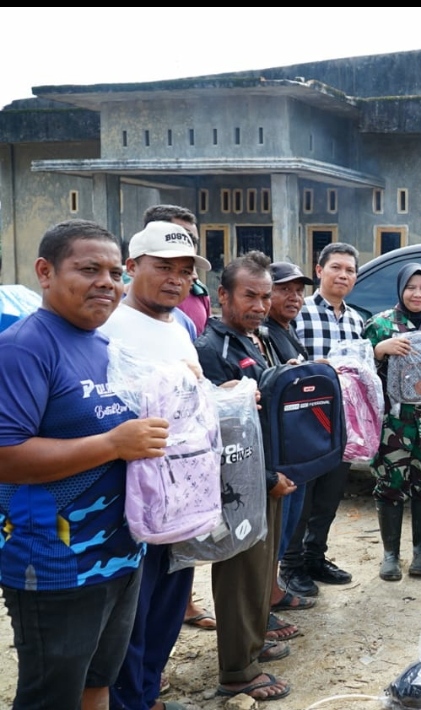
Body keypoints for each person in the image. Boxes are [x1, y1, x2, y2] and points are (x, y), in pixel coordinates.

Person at [0, 220, 169, 709]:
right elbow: (6, 456)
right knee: (51, 695)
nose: (107, 283)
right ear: (45, 272)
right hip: (56, 565)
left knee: (99, 682)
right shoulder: (23, 348)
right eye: (89, 269)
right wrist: (115, 444)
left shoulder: (104, 348)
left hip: (121, 553)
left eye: (116, 272)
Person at [101, 220, 211, 710]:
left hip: (182, 497)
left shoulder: (183, 325)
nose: (175, 279)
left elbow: (190, 399)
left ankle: (148, 695)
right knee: (131, 618)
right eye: (163, 267)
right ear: (131, 267)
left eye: (185, 271)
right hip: (130, 502)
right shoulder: (107, 325)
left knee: (168, 610)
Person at [195, 251, 294, 703]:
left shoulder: (255, 340)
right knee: (239, 574)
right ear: (223, 295)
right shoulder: (212, 349)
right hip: (239, 482)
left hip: (265, 475)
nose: (259, 305)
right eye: (249, 296)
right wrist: (268, 474)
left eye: (264, 296)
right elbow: (222, 435)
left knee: (259, 569)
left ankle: (253, 644)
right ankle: (236, 671)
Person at [282, 243, 365, 596]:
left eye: (349, 270)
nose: (342, 275)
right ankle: (291, 565)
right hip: (306, 421)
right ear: (319, 271)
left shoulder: (357, 319)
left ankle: (316, 557)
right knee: (303, 496)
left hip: (342, 421)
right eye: (336, 268)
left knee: (329, 497)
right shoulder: (299, 313)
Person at [364, 263, 421, 581]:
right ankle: (390, 555)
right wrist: (379, 351)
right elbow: (360, 377)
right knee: (390, 484)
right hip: (394, 423)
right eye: (411, 287)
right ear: (401, 290)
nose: (418, 294)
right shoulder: (380, 324)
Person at [264, 262, 318, 633]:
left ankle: (273, 591)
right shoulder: (264, 334)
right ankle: (263, 600)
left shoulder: (287, 330)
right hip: (275, 455)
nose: (294, 297)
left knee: (286, 527)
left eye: (299, 291)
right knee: (271, 533)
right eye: (285, 290)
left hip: (294, 449)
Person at [142, 205, 212, 337]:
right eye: (164, 268)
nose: (186, 244)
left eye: (193, 241)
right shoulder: (116, 301)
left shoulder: (199, 292)